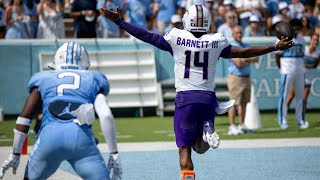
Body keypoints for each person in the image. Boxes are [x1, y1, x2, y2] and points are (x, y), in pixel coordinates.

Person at [100, 4, 293, 179]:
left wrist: (120, 22)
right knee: (200, 147)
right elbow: (244, 52)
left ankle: (201, 142)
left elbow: (147, 36)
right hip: (208, 99)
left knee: (185, 150)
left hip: (186, 98)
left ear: (187, 20)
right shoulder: (215, 40)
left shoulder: (177, 37)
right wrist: (274, 47)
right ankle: (207, 127)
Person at [0, 42, 114, 179]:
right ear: (86, 64)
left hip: (49, 139)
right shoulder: (93, 78)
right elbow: (105, 114)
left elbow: (25, 116)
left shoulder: (43, 78)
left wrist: (15, 153)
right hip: (81, 139)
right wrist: (114, 153)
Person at [276, 18, 309, 129]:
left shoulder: (302, 39)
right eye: (294, 28)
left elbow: (303, 55)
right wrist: (281, 69)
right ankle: (283, 121)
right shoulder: (283, 38)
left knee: (300, 96)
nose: (296, 30)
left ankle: (300, 120)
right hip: (287, 71)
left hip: (300, 71)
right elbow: (277, 55)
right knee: (284, 96)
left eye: (298, 28)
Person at [227, 25, 258, 135]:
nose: (239, 34)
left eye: (240, 32)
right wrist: (248, 59)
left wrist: (245, 59)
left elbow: (256, 58)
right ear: (233, 34)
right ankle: (231, 126)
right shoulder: (231, 47)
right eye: (237, 33)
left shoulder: (246, 45)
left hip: (246, 77)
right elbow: (238, 64)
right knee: (233, 103)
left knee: (244, 103)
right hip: (235, 78)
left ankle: (242, 125)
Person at [287, 34, 320, 114]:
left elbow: (315, 65)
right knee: (291, 96)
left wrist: (308, 65)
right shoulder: (304, 50)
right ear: (311, 41)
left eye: (317, 40)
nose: (315, 42)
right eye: (314, 40)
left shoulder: (318, 53)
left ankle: (302, 119)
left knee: (304, 99)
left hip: (308, 78)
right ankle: (283, 114)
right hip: (298, 77)